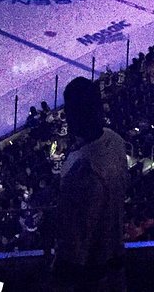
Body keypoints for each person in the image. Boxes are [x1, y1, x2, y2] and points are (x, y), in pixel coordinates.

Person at [52, 77, 128, 292]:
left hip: (91, 275)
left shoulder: (81, 169)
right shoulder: (115, 141)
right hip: (116, 259)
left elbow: (75, 242)